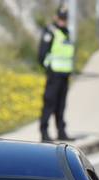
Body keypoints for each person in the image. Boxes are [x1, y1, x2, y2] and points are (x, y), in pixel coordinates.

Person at [38, 6, 74, 142]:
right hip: (54, 74)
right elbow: (42, 54)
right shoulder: (50, 32)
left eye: (65, 19)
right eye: (61, 18)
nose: (63, 21)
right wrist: (49, 68)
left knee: (61, 105)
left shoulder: (66, 33)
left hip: (65, 75)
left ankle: (61, 132)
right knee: (49, 103)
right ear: (56, 17)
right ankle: (44, 133)